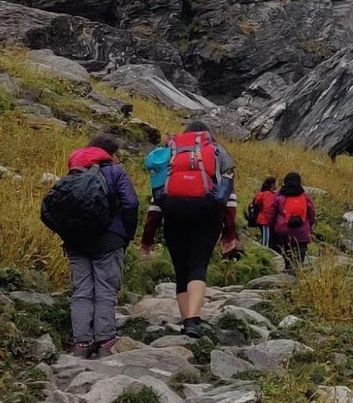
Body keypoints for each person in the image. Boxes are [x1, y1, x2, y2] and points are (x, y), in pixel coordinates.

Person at [42, 135, 138, 358]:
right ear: (109, 154)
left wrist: (65, 233)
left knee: (82, 290)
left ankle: (81, 344)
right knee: (106, 289)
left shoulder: (74, 172)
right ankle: (105, 342)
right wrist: (126, 235)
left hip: (75, 241)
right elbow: (131, 203)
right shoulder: (115, 172)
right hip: (109, 240)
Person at [140, 118, 236, 338]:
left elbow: (156, 197)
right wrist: (230, 232)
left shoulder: (170, 152)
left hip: (173, 213)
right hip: (208, 214)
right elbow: (229, 198)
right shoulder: (218, 152)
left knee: (181, 269)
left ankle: (187, 321)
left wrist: (148, 235)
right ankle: (193, 320)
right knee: (198, 265)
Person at [266, 171, 316, 272]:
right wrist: (308, 226)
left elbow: (271, 214)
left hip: (283, 232)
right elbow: (312, 214)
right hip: (302, 233)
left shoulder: (279, 196)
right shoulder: (305, 196)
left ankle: (288, 274)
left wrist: (272, 227)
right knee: (299, 260)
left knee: (287, 258)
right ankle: (297, 277)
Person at [247, 176, 278, 249]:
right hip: (265, 220)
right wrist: (270, 219)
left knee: (266, 237)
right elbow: (268, 208)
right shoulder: (268, 194)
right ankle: (264, 252)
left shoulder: (262, 193)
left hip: (262, 218)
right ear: (272, 185)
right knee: (265, 240)